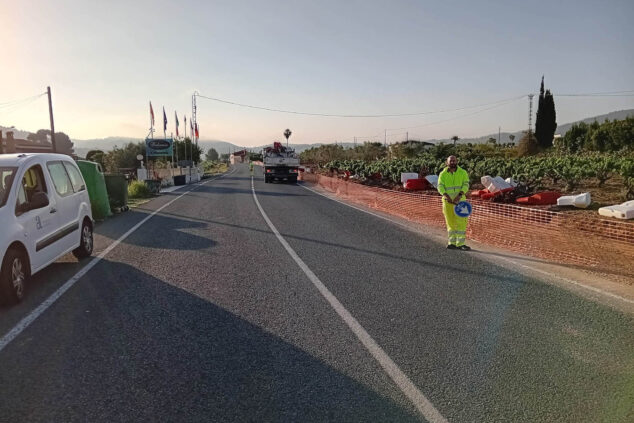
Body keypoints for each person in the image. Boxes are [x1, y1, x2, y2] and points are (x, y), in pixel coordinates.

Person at [437, 156, 471, 251]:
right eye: (450, 161)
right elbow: (440, 186)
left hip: (460, 203)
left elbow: (466, 184)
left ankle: (461, 244)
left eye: (454, 160)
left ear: (457, 162)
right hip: (447, 203)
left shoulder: (462, 172)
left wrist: (459, 196)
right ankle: (451, 243)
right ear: (447, 162)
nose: (452, 162)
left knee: (461, 223)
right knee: (450, 223)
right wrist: (446, 196)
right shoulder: (442, 174)